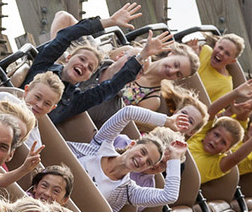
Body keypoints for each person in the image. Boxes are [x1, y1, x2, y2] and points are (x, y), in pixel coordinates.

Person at [22, 3, 174, 124]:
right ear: (69, 58)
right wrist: (109, 22)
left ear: (88, 76)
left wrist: (144, 55)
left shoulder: (75, 100)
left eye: (90, 68)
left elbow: (111, 86)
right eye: (82, 59)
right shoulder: (43, 66)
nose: (84, 65)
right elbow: (65, 36)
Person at [67, 105, 189, 212]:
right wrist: (167, 121)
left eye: (148, 162)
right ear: (132, 145)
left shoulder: (128, 191)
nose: (142, 160)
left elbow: (169, 196)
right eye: (143, 152)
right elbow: (128, 112)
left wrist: (175, 157)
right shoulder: (102, 145)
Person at [188, 116, 251, 183]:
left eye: (223, 142)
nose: (216, 141)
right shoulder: (199, 134)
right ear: (209, 131)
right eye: (216, 135)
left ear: (226, 150)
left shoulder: (216, 165)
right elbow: (210, 112)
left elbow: (236, 158)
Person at [189, 34, 245, 102]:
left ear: (232, 61)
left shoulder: (226, 86)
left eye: (227, 53)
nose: (221, 53)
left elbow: (211, 108)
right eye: (220, 48)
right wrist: (190, 55)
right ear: (215, 45)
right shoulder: (204, 50)